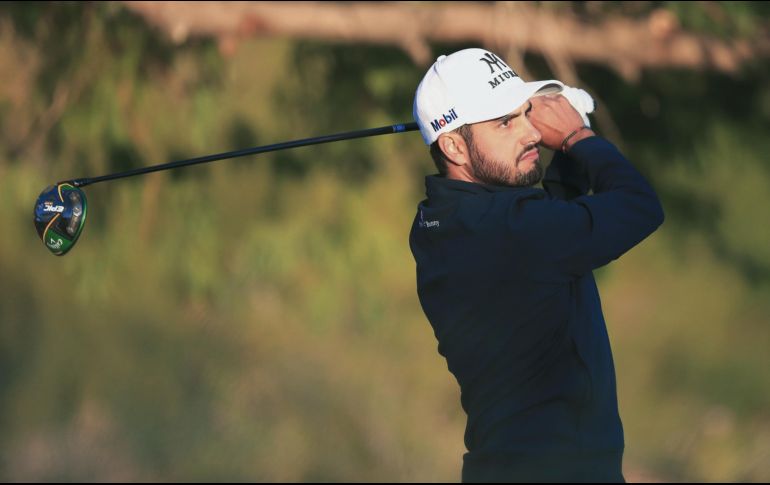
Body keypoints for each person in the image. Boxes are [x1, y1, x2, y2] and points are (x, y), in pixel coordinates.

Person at [408, 48, 664, 483]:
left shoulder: (441, 223)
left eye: (524, 113)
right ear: (452, 145)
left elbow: (550, 225)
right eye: (505, 122)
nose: (529, 133)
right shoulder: (512, 231)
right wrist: (575, 138)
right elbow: (639, 208)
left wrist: (567, 147)